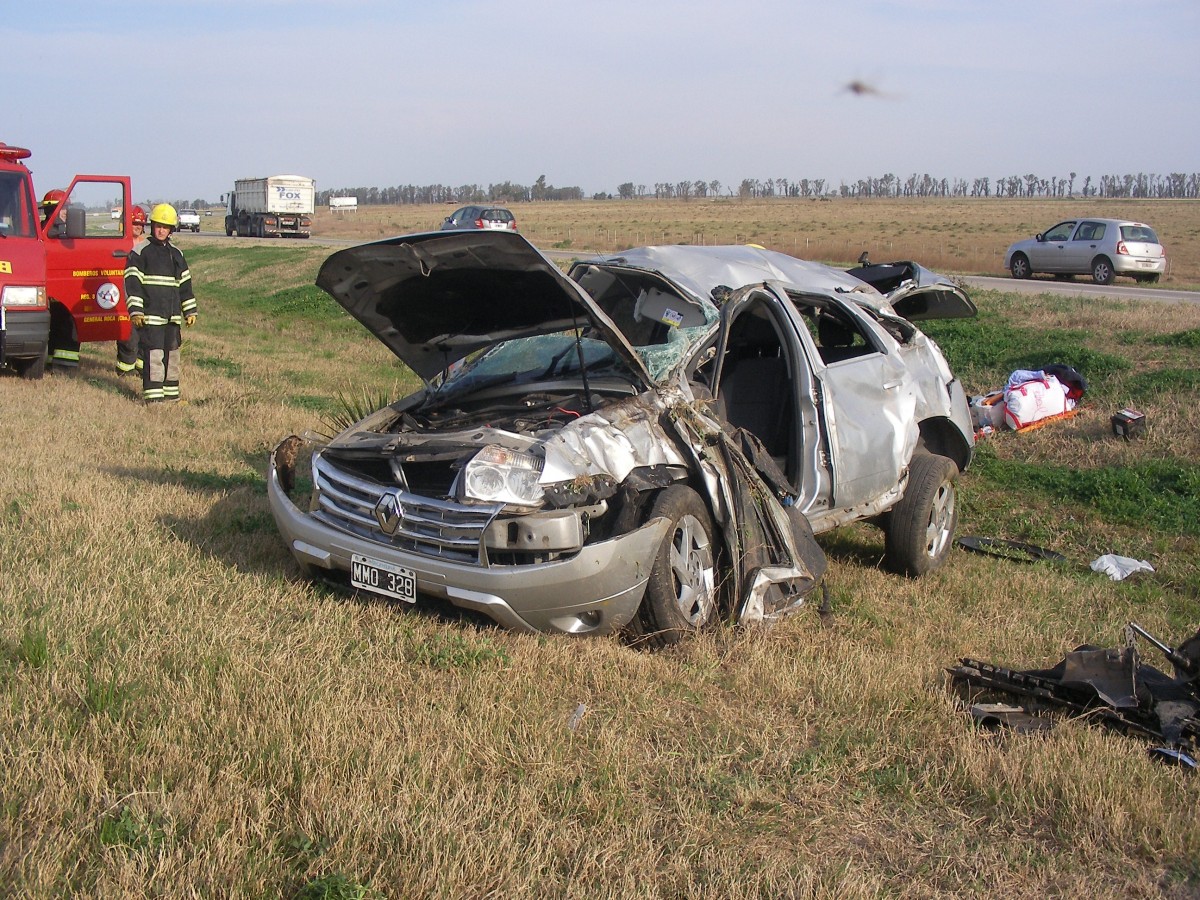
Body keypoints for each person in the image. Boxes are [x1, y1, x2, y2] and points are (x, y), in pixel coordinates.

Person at [123, 204, 196, 403]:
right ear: (152, 226)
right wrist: (136, 311)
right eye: (158, 226)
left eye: (165, 227)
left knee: (172, 356)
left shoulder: (177, 254)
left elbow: (185, 285)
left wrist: (190, 311)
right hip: (151, 315)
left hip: (171, 317)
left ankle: (171, 396)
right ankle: (154, 397)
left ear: (171, 229)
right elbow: (133, 283)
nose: (161, 230)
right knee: (154, 356)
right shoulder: (140, 252)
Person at [40, 189, 81, 373]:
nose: (66, 212)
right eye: (63, 208)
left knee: (60, 325)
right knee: (62, 325)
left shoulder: (65, 232)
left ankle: (57, 364)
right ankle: (63, 366)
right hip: (52, 290)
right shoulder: (49, 233)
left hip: (60, 290)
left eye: (67, 208)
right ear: (52, 211)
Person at [115, 206, 148, 376]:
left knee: (144, 333)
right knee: (128, 334)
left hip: (143, 294)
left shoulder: (146, 244)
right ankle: (124, 369)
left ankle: (142, 368)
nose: (137, 226)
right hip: (124, 293)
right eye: (134, 223)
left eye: (140, 224)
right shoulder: (119, 243)